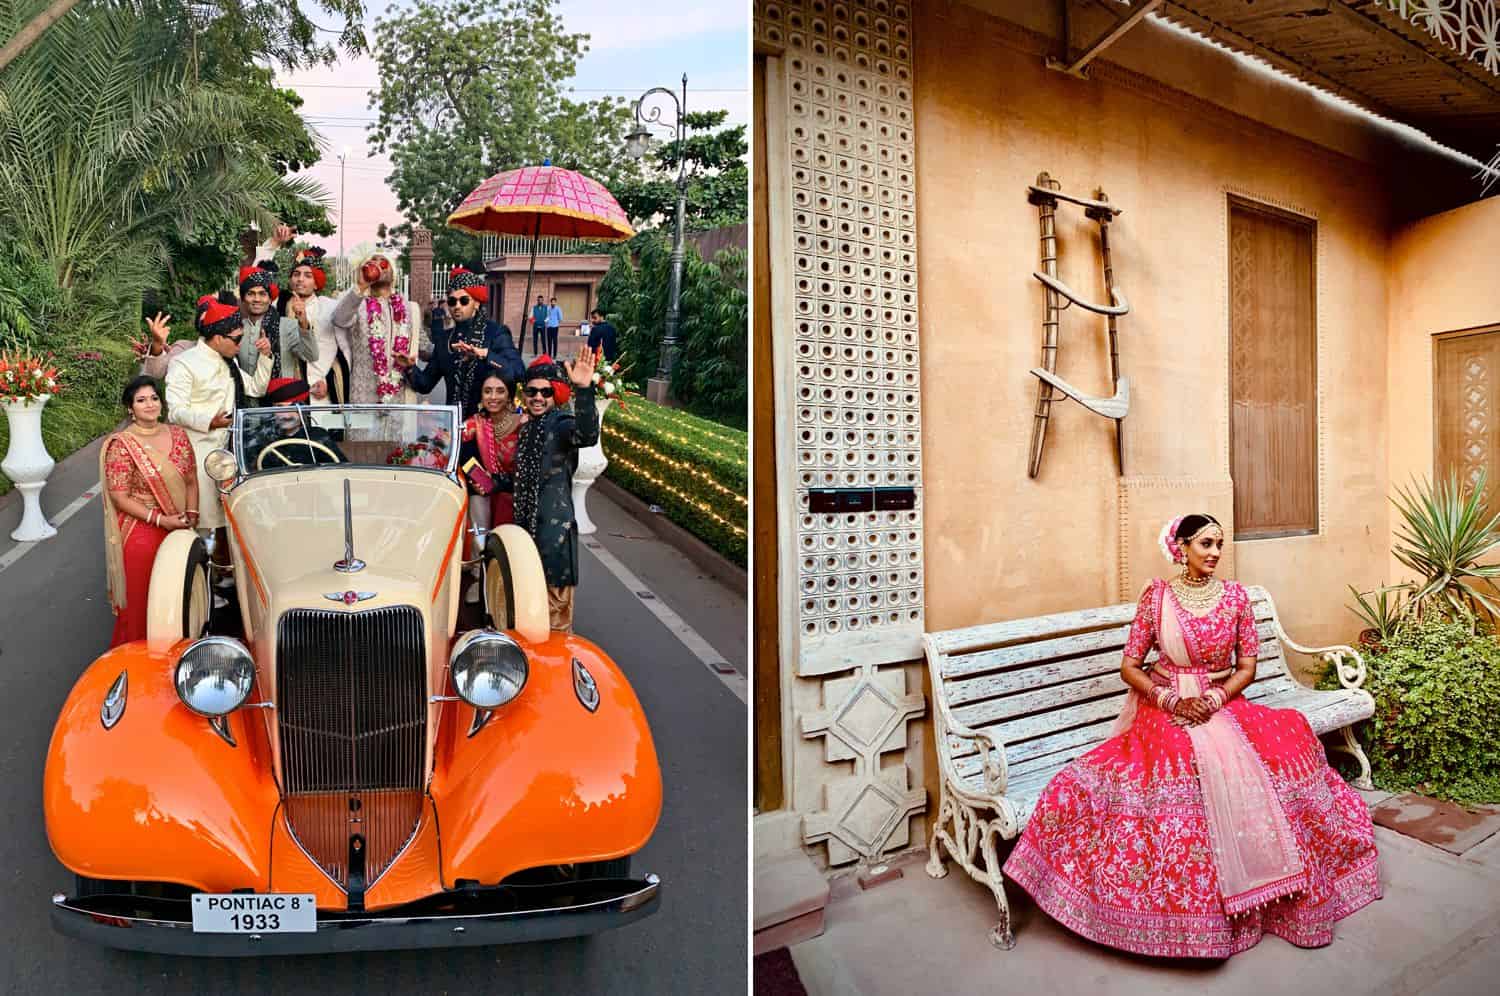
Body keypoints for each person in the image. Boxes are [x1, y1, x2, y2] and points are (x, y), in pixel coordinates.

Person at [1001, 514, 1381, 959]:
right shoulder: (1156, 599)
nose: (1215, 552)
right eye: (1205, 543)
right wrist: (1169, 701)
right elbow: (1130, 665)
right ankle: (1186, 917)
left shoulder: (1236, 597)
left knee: (1284, 746)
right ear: (1181, 547)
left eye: (1219, 543)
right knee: (1181, 760)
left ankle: (1271, 893)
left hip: (1221, 702)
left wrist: (1216, 699)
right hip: (1165, 705)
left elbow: (1247, 667)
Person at [161, 296, 273, 534]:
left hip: (233, 450)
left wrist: (265, 356)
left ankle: (227, 569)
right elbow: (175, 410)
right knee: (205, 524)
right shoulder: (184, 363)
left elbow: (255, 388)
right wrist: (209, 421)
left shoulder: (228, 362)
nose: (240, 344)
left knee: (234, 521)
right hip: (199, 453)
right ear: (218, 337)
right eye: (237, 339)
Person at [101, 376, 199, 647]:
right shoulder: (122, 444)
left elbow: (191, 478)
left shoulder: (178, 434)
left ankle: (179, 658)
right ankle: (136, 662)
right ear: (130, 408)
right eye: (141, 400)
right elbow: (119, 496)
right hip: (142, 529)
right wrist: (160, 519)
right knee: (143, 602)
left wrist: (191, 515)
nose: (150, 404)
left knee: (179, 598)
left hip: (179, 525)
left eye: (154, 398)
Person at [512, 350, 599, 633]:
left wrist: (584, 390)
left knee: (553, 621)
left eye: (546, 392)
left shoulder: (560, 424)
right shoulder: (527, 429)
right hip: (526, 533)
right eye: (532, 391)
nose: (538, 397)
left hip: (554, 540)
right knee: (527, 615)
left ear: (557, 393)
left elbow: (586, 435)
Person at [401, 268, 523, 415]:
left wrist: (485, 355)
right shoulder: (445, 340)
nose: (457, 306)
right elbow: (425, 384)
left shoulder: (495, 333)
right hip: (454, 426)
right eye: (452, 301)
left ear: (477, 303)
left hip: (490, 427)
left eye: (464, 300)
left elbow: (518, 373)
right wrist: (409, 367)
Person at [331, 251, 422, 404]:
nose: (379, 264)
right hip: (363, 395)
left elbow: (424, 345)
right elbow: (339, 320)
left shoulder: (409, 308)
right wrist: (360, 286)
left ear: (393, 273)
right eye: (373, 261)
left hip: (398, 397)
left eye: (384, 262)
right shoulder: (356, 303)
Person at [235, 262, 315, 399]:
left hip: (280, 405)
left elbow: (311, 356)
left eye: (262, 294)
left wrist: (303, 322)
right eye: (251, 294)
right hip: (244, 407)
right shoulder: (234, 328)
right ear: (243, 298)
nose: (257, 299)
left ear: (270, 298)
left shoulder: (287, 326)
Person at [458, 371, 522, 530]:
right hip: (486, 492)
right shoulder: (476, 423)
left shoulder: (523, 424)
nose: (493, 397)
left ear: (509, 396)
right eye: (487, 391)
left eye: (500, 391)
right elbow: (454, 443)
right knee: (477, 502)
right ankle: (479, 552)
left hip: (516, 493)